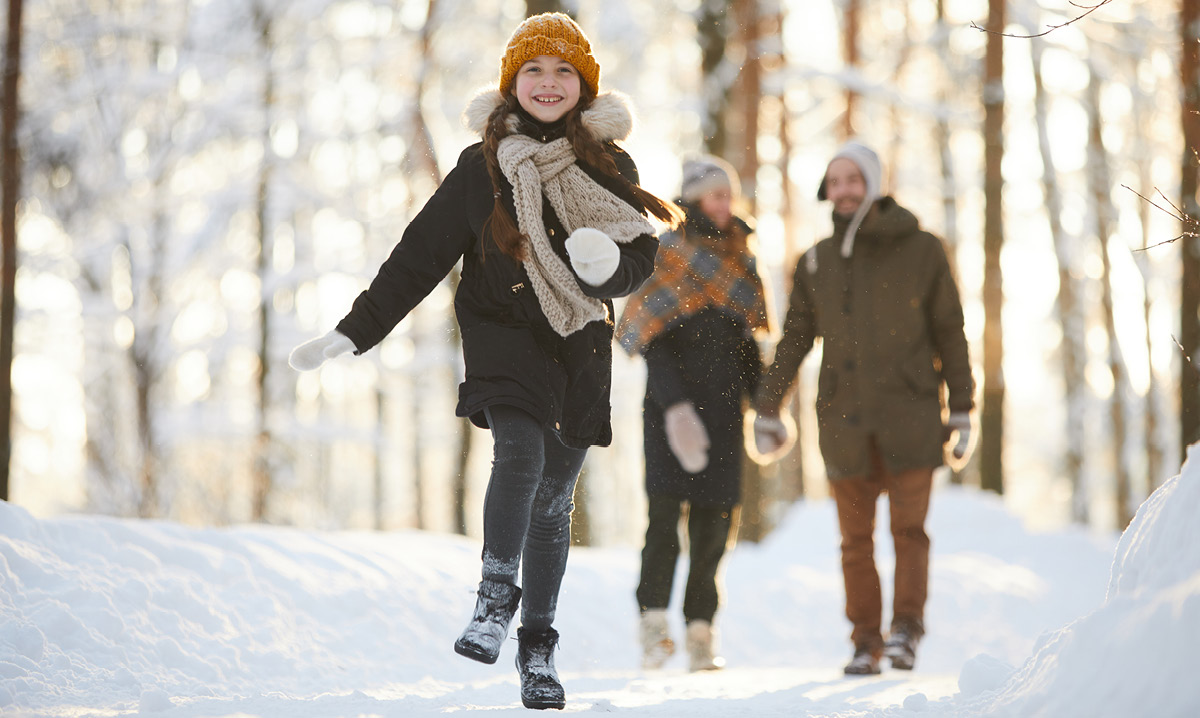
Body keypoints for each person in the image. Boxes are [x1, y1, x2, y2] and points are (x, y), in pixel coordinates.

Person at [288, 13, 680, 710]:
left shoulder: (610, 164)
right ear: (511, 84)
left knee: (555, 501)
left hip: (581, 344)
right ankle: (495, 595)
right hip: (504, 336)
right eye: (534, 70)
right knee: (520, 452)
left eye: (564, 71)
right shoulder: (482, 168)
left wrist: (608, 267)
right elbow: (419, 257)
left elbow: (636, 262)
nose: (549, 83)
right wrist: (356, 331)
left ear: (584, 87)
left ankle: (538, 648)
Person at [752, 140, 974, 676]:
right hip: (844, 422)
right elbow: (796, 339)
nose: (844, 189)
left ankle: (905, 632)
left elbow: (951, 331)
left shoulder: (923, 249)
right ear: (827, 190)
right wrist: (767, 406)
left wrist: (963, 408)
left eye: (854, 179)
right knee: (854, 541)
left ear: (872, 184)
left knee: (909, 533)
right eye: (836, 180)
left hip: (913, 418)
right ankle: (864, 641)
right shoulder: (817, 260)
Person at [616, 156, 771, 672]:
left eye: (729, 195)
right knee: (663, 524)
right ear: (693, 200)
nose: (725, 204)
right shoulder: (666, 254)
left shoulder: (743, 260)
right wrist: (678, 410)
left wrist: (767, 409)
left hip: (727, 414)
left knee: (714, 529)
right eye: (715, 195)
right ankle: (653, 627)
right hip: (668, 411)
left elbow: (750, 347)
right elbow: (650, 344)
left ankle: (702, 632)